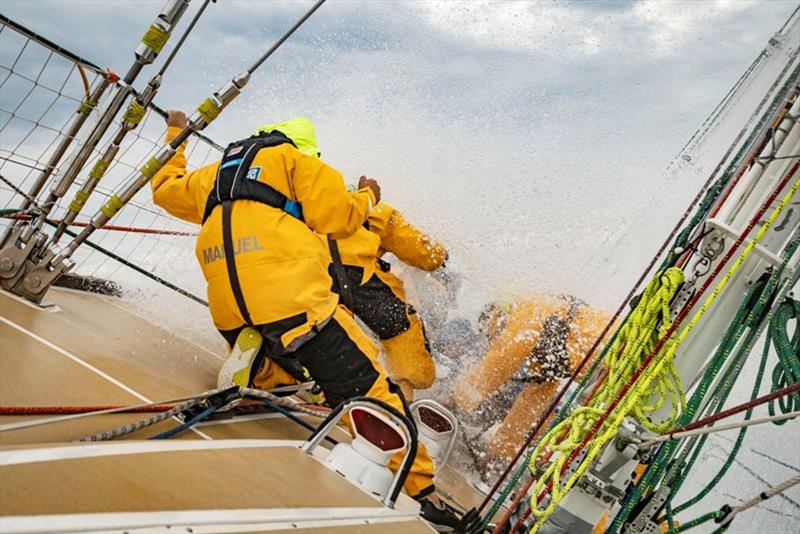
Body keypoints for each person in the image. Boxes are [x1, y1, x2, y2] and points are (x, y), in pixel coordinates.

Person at [150, 111, 461, 528]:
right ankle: (422, 490)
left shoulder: (213, 176)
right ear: (303, 149)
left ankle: (262, 372)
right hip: (295, 301)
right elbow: (339, 217)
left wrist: (177, 133)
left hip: (227, 300)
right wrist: (369, 195)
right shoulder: (297, 163)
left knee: (281, 357)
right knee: (373, 385)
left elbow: (165, 190)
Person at [436, 294, 611, 477]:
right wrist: (498, 453)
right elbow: (530, 407)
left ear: (494, 319)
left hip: (618, 348)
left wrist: (454, 399)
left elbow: (497, 364)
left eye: (491, 337)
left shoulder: (526, 314)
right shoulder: (549, 345)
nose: (492, 343)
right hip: (607, 362)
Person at [333, 201, 448, 400]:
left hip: (312, 270)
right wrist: (439, 256)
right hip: (359, 279)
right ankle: (400, 404)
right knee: (402, 325)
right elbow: (416, 248)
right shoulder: (377, 211)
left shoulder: (326, 200)